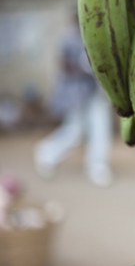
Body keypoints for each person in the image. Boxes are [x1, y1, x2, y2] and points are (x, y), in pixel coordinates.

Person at [33, 14, 114, 188]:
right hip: (76, 92)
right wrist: (84, 68)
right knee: (75, 130)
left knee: (100, 128)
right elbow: (64, 65)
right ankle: (46, 154)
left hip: (96, 90)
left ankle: (98, 167)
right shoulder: (68, 38)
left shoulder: (96, 36)